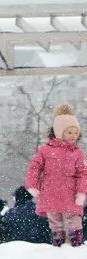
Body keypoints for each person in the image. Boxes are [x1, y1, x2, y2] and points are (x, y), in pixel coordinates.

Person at [26, 104, 87, 247]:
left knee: (73, 220)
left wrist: (81, 192)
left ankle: (75, 243)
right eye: (69, 132)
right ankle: (58, 244)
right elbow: (35, 167)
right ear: (59, 132)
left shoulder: (77, 153)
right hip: (50, 192)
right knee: (55, 221)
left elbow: (83, 173)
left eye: (75, 132)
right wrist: (32, 184)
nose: (73, 136)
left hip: (70, 193)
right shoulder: (46, 150)